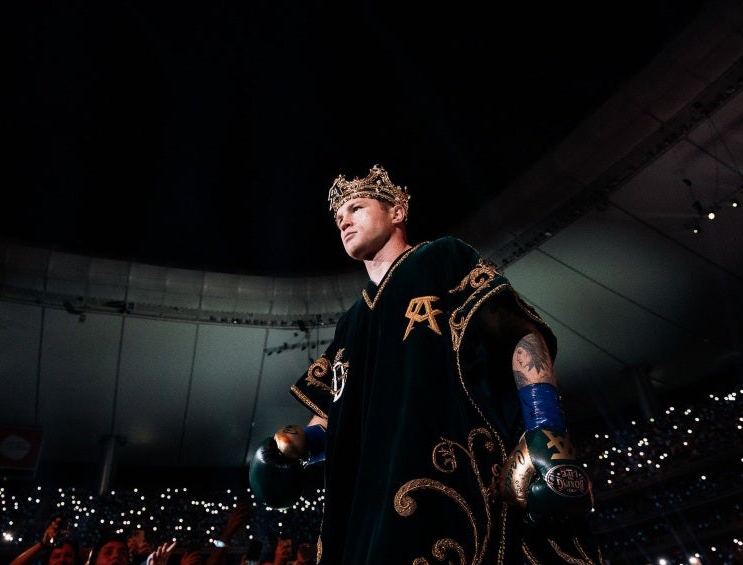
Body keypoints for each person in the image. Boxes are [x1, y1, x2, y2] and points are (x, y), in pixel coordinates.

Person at [249, 164, 603, 564]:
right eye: (338, 216)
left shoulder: (442, 257)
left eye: (356, 207)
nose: (343, 219)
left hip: (458, 490)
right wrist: (296, 450)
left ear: (397, 212)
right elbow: (338, 414)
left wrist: (546, 427)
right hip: (370, 513)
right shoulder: (350, 322)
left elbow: (519, 332)